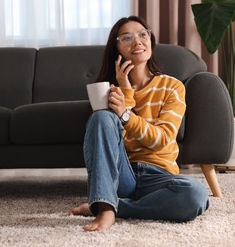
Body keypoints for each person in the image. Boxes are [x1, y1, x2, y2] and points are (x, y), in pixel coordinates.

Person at [69, 16, 209, 231]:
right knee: (101, 117)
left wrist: (125, 113)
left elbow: (162, 140)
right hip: (123, 175)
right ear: (116, 48)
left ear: (151, 40)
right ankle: (106, 207)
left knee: (195, 194)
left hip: (159, 176)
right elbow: (108, 142)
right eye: (127, 37)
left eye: (143, 34)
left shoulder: (172, 87)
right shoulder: (109, 91)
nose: (137, 42)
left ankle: (112, 207)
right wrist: (124, 92)